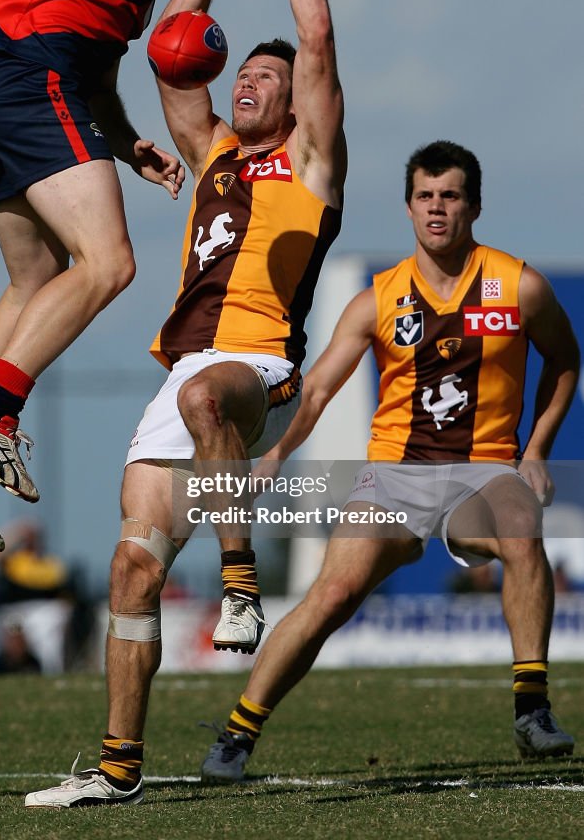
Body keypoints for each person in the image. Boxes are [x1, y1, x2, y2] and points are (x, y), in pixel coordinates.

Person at [25, 0, 347, 809]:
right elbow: (172, 55)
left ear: (293, 107)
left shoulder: (313, 161)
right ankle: (119, 768)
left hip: (257, 367)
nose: (245, 82)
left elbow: (317, 45)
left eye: (265, 79)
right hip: (182, 372)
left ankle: (239, 580)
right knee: (131, 568)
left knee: (212, 401)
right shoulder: (210, 150)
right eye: (241, 72)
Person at [0, 0, 329, 555]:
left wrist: (129, 146)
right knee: (108, 264)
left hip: (11, 91)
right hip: (33, 81)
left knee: (33, 283)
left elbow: (108, 75)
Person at [199, 140, 579, 782]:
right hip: (394, 475)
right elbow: (316, 388)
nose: (438, 209)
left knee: (521, 533)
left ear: (474, 207)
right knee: (333, 593)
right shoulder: (378, 299)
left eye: (451, 196)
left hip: (484, 468)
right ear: (408, 208)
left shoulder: (520, 285)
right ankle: (238, 732)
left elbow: (565, 360)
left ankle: (532, 709)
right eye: (426, 196)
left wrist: (536, 449)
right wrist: (276, 457)